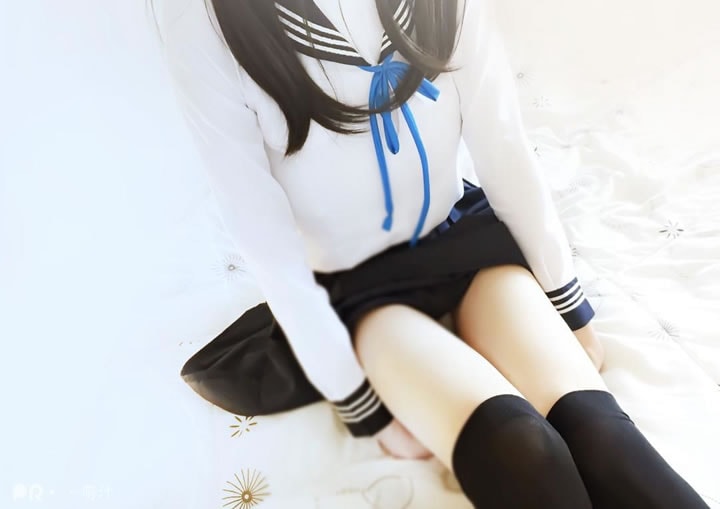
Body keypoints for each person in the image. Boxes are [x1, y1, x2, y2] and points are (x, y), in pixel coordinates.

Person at [154, 0, 710, 507]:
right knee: (522, 448)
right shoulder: (203, 22)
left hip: (461, 242)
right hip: (360, 290)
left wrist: (568, 302)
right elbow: (263, 237)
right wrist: (362, 405)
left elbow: (502, 142)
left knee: (602, 436)